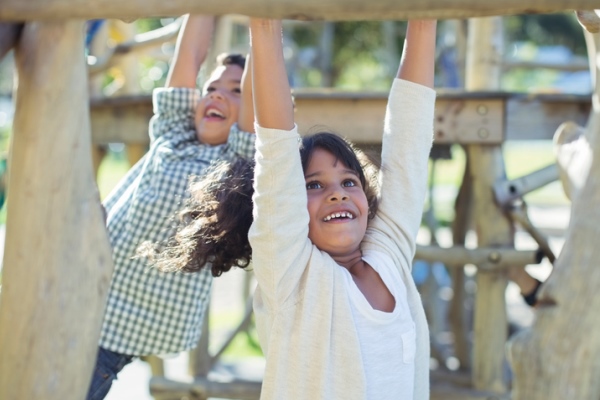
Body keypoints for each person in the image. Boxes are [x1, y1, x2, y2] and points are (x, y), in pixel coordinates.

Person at [156, 17, 437, 399]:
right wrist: (265, 22)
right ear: (293, 208)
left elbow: (410, 137)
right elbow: (276, 151)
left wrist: (424, 18)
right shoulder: (292, 271)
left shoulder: (391, 251)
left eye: (348, 182)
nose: (336, 194)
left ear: (369, 203)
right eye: (315, 185)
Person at [86, 14, 255, 400]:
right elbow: (189, 58)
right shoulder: (173, 133)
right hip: (89, 288)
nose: (216, 94)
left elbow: (262, 102)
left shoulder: (239, 163)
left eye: (235, 91)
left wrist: (264, 22)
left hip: (129, 321)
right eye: (211, 87)